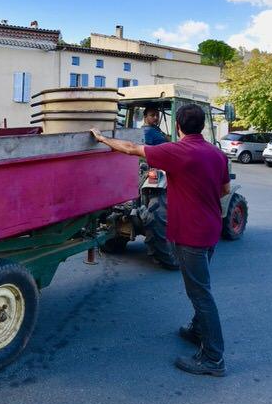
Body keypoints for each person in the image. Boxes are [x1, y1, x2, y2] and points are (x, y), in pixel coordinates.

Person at [91, 103, 229, 377]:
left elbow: (131, 149)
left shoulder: (178, 151)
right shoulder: (217, 153)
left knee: (200, 293)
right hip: (210, 229)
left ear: (177, 125)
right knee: (202, 286)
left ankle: (214, 358)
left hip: (191, 235)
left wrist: (103, 138)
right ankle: (197, 330)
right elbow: (224, 191)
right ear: (202, 125)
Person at [138, 106, 177, 270]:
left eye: (158, 115)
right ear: (145, 116)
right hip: (155, 166)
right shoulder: (149, 132)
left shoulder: (151, 131)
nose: (156, 118)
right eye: (153, 115)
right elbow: (170, 146)